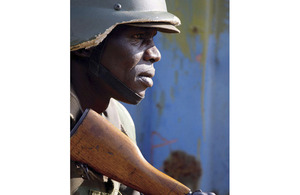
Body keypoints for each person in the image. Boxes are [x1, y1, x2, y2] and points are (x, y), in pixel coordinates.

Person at [71, 0, 215, 195]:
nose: (155, 54)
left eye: (152, 39)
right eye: (138, 37)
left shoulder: (118, 121)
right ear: (86, 43)